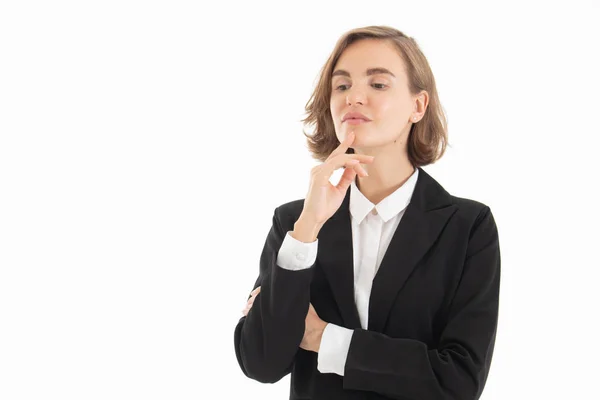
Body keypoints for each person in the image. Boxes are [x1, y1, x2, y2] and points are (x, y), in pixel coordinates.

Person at [233, 25, 500, 400]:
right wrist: (308, 228)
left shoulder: (467, 227)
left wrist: (324, 339)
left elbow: (458, 381)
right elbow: (261, 361)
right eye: (342, 86)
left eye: (378, 85)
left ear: (418, 106)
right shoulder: (296, 223)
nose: (354, 97)